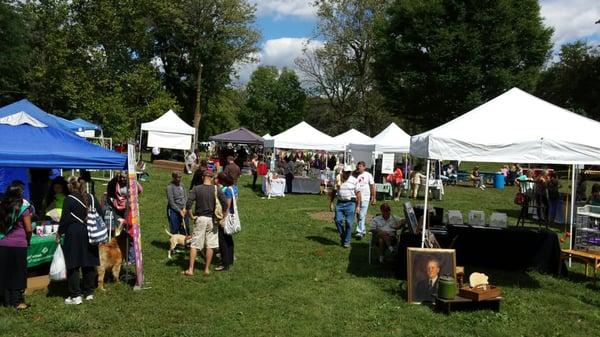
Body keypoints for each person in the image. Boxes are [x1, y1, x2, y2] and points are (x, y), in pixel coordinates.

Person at [56, 177, 101, 305]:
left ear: (70, 186)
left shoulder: (69, 199)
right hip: (90, 232)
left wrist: (59, 233)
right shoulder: (91, 197)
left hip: (74, 233)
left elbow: (64, 220)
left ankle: (75, 295)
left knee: (73, 264)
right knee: (89, 262)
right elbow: (101, 214)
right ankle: (89, 292)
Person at [183, 170, 226, 276]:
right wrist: (223, 217)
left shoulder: (196, 188)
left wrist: (191, 215)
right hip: (213, 220)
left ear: (203, 177)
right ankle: (206, 269)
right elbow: (225, 204)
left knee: (194, 245)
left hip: (200, 218)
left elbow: (188, 204)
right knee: (210, 245)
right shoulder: (217, 189)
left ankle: (191, 270)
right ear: (211, 178)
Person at [0, 181, 33, 310]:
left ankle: (6, 300)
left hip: (3, 243)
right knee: (18, 273)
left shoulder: (3, 204)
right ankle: (17, 302)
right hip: (18, 244)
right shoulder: (23, 207)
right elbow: (29, 229)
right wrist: (28, 240)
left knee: (5, 272)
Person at [334, 165, 362, 248]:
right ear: (343, 172)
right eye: (346, 172)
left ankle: (346, 241)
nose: (348, 174)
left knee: (349, 223)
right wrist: (331, 203)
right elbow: (334, 190)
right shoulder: (338, 179)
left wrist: (358, 206)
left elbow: (358, 194)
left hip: (351, 203)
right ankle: (343, 235)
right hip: (340, 203)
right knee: (338, 220)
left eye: (349, 172)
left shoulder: (354, 180)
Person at [215, 173, 236, 272]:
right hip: (232, 216)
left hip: (226, 217)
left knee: (222, 240)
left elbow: (226, 206)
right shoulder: (235, 188)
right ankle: (230, 259)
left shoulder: (227, 190)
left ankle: (225, 263)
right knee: (229, 239)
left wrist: (223, 219)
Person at [355, 161, 376, 239]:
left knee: (361, 214)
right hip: (357, 198)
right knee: (358, 214)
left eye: (360, 166)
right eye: (358, 166)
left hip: (365, 197)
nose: (359, 167)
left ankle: (359, 231)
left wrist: (373, 197)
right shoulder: (356, 175)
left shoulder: (368, 175)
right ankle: (363, 229)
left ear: (364, 167)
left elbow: (373, 186)